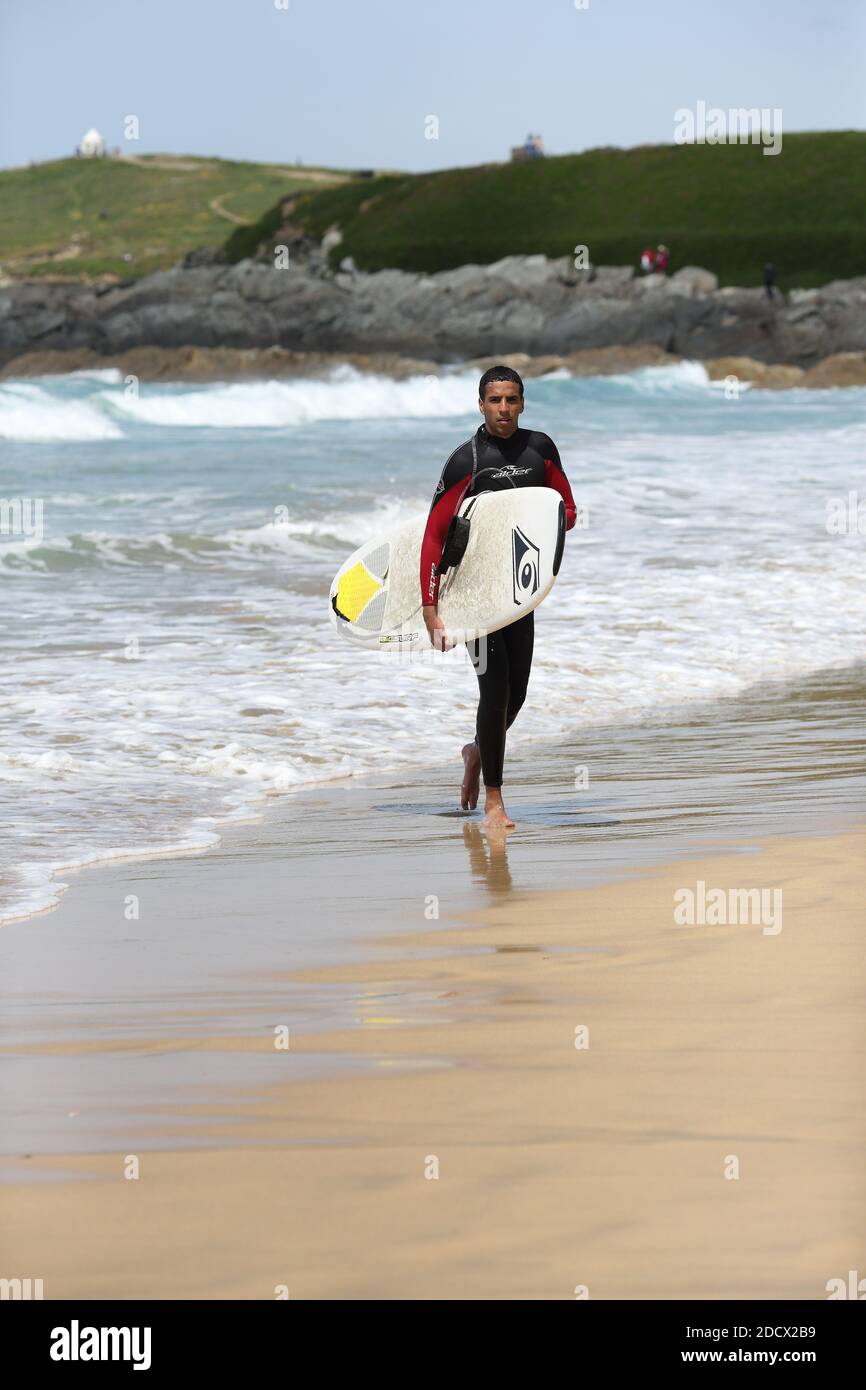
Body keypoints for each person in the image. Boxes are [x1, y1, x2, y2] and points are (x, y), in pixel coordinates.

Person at [420, 366, 577, 830]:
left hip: (517, 591)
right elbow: (433, 534)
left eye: (511, 400)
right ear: (481, 404)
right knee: (495, 687)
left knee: (519, 692)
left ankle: (475, 751)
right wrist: (431, 608)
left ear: (522, 403)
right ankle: (495, 801)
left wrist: (557, 524)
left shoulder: (539, 449)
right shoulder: (465, 460)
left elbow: (563, 505)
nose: (503, 409)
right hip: (473, 594)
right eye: (495, 400)